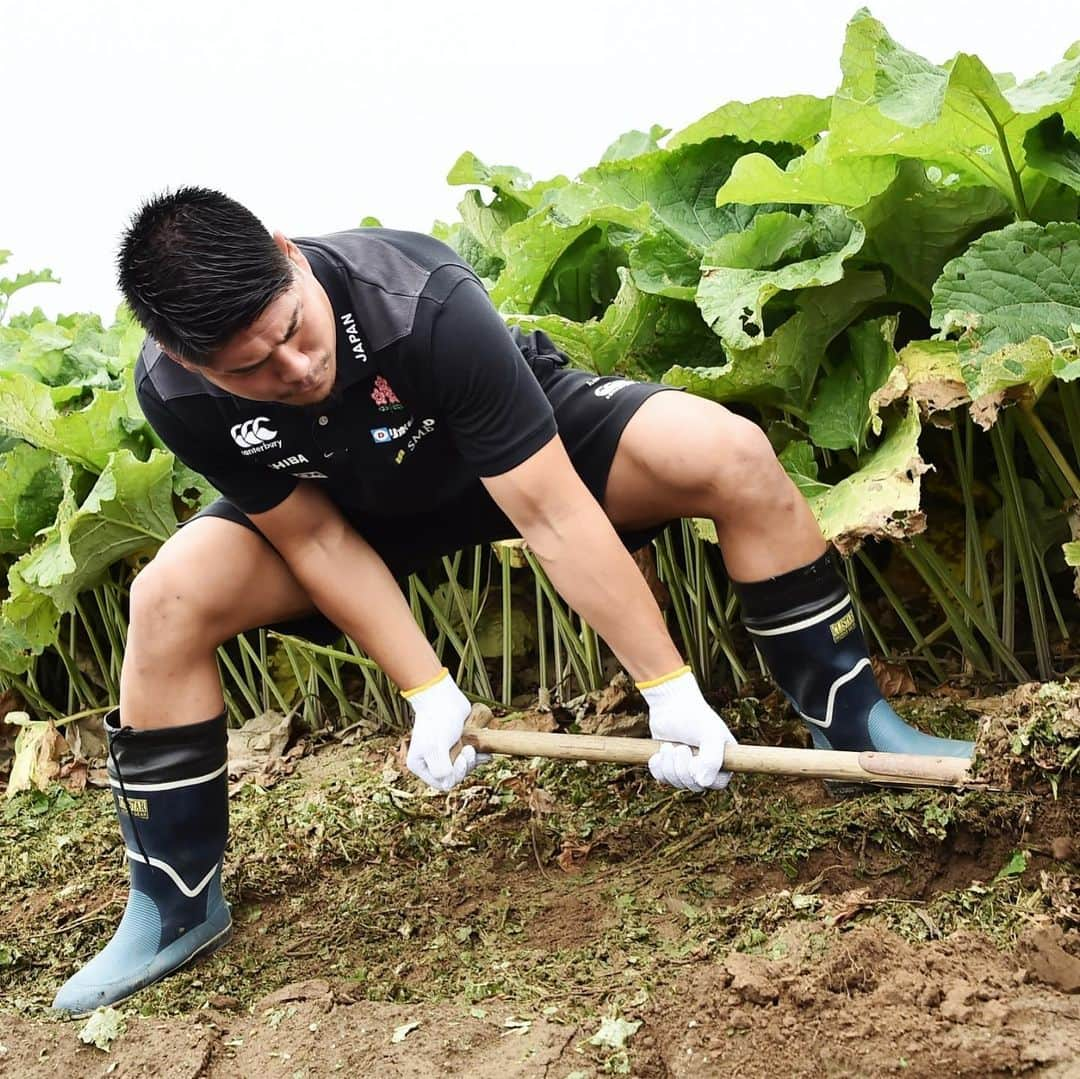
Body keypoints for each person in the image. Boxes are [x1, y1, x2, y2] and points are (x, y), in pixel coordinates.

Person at [52, 187, 972, 1014]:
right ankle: (171, 902)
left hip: (520, 454)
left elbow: (549, 510)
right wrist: (426, 689)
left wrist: (669, 690)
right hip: (351, 509)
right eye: (249, 370)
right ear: (181, 356)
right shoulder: (174, 389)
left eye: (294, 331)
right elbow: (316, 539)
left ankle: (854, 725)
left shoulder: (419, 299)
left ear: (289, 255)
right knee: (166, 596)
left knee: (727, 452)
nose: (291, 371)